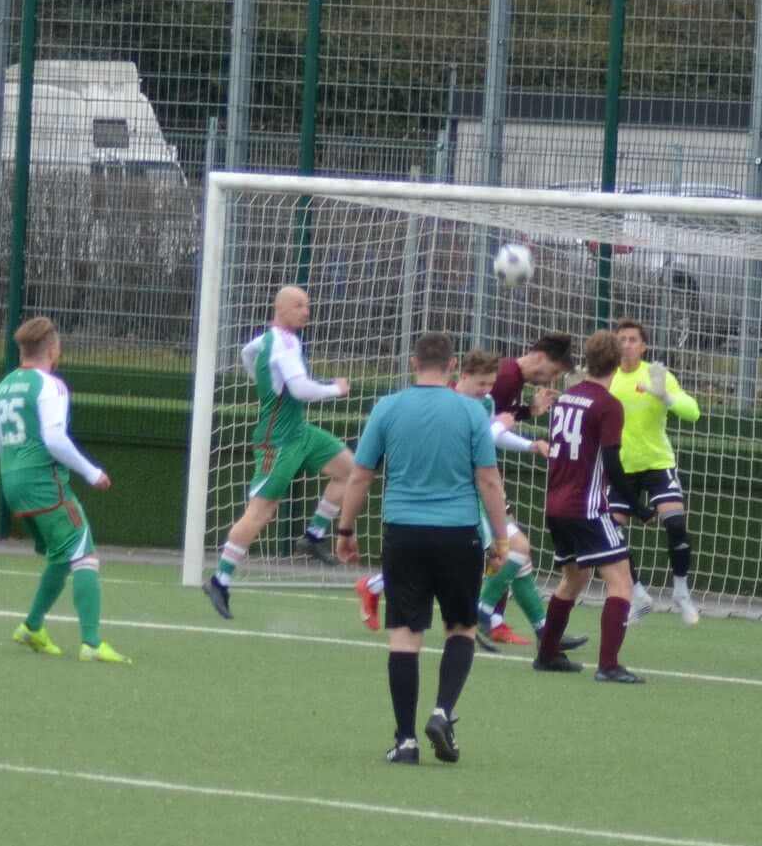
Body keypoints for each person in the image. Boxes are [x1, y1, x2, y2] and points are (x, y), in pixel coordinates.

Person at [332, 331, 507, 764]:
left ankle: (405, 740)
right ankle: (442, 712)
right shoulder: (470, 411)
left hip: (404, 533)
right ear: (451, 367)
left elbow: (359, 475)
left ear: (414, 363)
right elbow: (488, 479)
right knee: (461, 628)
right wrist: (499, 538)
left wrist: (345, 529)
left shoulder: (388, 407)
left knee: (405, 637)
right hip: (459, 534)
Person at [355, 351, 583, 656]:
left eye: (490, 384)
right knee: (496, 554)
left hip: (481, 489)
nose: (486, 390)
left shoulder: (486, 403)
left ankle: (545, 632)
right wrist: (503, 423)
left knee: (518, 554)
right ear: (461, 375)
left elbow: (492, 438)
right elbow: (477, 437)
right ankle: (484, 611)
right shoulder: (448, 403)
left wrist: (530, 444)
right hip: (460, 492)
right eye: (481, 383)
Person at [0, 316, 127, 663]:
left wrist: (18, 460)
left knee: (62, 556)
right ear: (53, 350)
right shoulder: (51, 385)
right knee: (85, 554)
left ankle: (32, 627)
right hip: (44, 483)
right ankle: (92, 644)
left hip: (11, 482)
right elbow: (55, 439)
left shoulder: (5, 385)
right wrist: (93, 473)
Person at [203, 285, 355, 619]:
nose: (306, 311)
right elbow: (299, 389)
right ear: (279, 308)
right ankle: (219, 579)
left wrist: (261, 379)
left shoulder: (270, 339)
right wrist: (336, 389)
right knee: (261, 511)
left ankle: (313, 536)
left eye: (308, 305)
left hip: (299, 431)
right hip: (278, 440)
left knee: (350, 470)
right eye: (299, 305)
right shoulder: (284, 343)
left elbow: (246, 352)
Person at [533, 330, 646, 683]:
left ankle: (548, 652)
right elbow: (611, 463)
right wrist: (637, 507)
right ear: (618, 363)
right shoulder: (608, 405)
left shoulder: (567, 398)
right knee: (622, 583)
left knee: (573, 579)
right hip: (587, 507)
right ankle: (609, 665)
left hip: (555, 504)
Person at [611, 320, 702, 624]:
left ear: (644, 345)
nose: (626, 344)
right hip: (623, 467)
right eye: (621, 339)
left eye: (633, 339)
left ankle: (681, 593)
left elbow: (693, 412)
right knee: (611, 531)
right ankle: (638, 594)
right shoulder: (609, 378)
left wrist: (666, 397)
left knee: (675, 523)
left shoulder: (656, 374)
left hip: (658, 462)